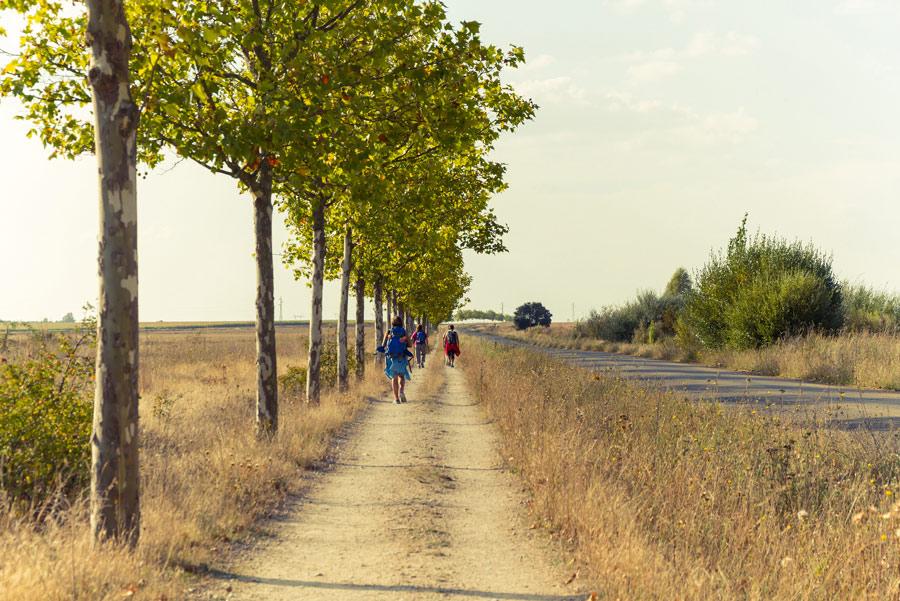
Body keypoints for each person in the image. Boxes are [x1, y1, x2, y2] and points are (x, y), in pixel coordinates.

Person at [381, 316, 413, 403]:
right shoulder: (403, 331)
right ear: (401, 322)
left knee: (394, 377)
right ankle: (401, 391)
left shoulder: (389, 331)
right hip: (401, 357)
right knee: (401, 376)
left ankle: (396, 399)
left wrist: (389, 338)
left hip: (391, 358)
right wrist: (403, 340)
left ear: (392, 323)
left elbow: (383, 345)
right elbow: (410, 345)